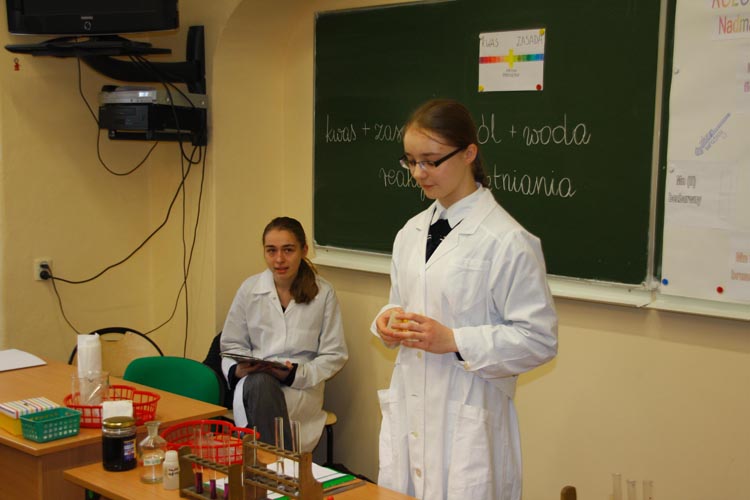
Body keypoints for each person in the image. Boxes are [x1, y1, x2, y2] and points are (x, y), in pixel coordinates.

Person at [371, 99, 558, 500]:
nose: (419, 173)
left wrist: (455, 340)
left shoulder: (507, 240)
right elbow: (400, 299)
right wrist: (388, 319)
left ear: (469, 153)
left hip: (468, 418)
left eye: (431, 161)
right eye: (411, 161)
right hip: (412, 408)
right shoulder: (410, 233)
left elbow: (539, 339)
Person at [221, 216, 348, 452]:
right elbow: (230, 345)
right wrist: (239, 369)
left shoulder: (323, 293)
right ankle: (284, 464)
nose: (279, 259)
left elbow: (334, 355)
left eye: (288, 250)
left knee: (262, 392)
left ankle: (270, 464)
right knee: (260, 384)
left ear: (304, 250)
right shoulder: (249, 289)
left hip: (300, 389)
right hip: (254, 384)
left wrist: (294, 375)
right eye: (271, 250)